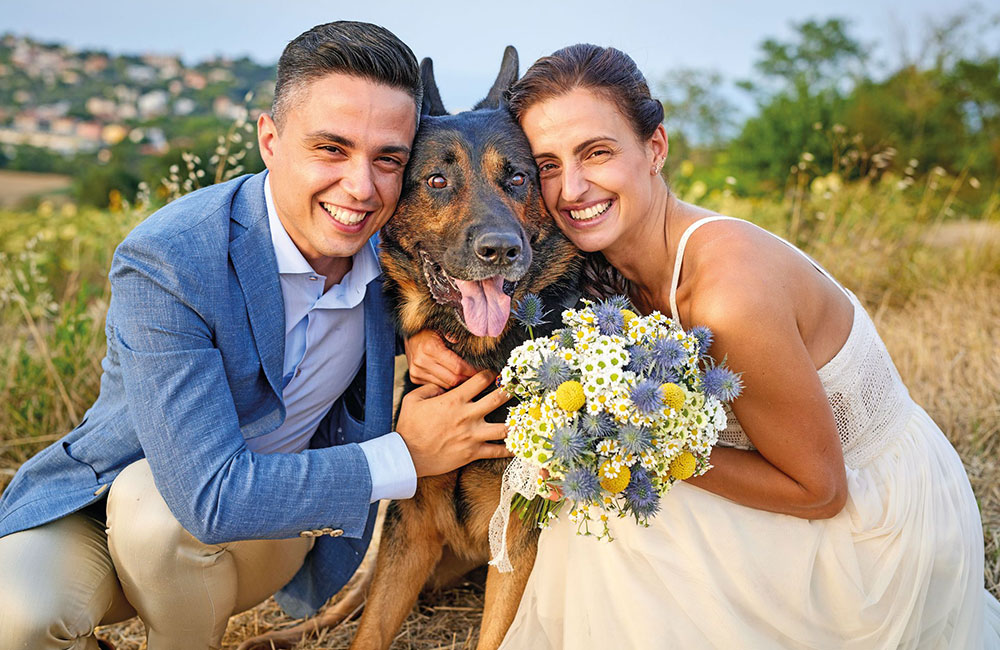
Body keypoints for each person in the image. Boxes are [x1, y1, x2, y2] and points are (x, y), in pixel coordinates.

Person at [407, 44, 1000, 649]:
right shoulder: (591, 258)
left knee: (600, 521)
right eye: (548, 165)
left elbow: (821, 491)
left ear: (655, 148)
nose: (572, 188)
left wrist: (624, 452)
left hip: (868, 532)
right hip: (794, 491)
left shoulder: (730, 294)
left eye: (598, 153)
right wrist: (425, 336)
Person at [0, 21, 511, 650]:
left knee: (156, 520)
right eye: (331, 149)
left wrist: (425, 336)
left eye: (388, 160)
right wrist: (404, 457)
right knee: (19, 618)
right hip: (109, 500)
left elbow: (440, 273)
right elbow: (209, 496)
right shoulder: (172, 259)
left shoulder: (394, 254)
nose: (360, 187)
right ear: (269, 140)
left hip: (267, 529)